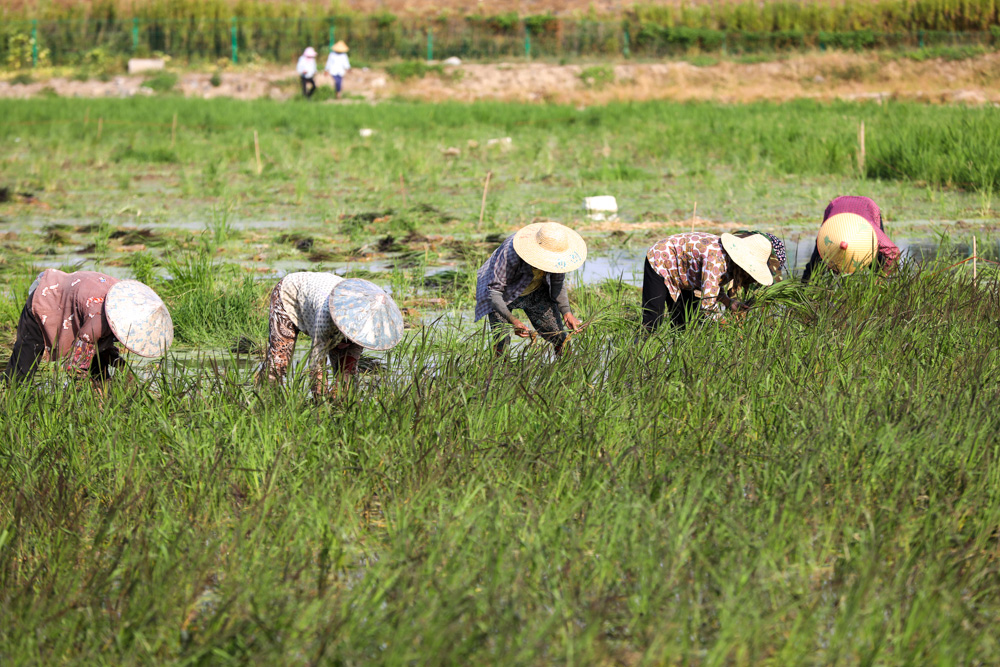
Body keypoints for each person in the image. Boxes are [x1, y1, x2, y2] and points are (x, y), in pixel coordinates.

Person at [4, 268, 173, 386]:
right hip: (46, 300)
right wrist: (88, 392)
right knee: (20, 375)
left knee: (99, 364)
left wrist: (120, 366)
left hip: (77, 302)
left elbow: (102, 348)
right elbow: (75, 367)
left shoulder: (118, 305)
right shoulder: (97, 321)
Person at [262, 272, 403, 395]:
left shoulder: (365, 329)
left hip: (321, 294)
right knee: (279, 363)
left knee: (347, 380)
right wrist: (320, 403)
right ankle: (266, 398)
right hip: (290, 293)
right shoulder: (326, 318)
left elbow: (347, 373)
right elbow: (316, 365)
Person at [475, 222, 587, 356]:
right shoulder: (511, 252)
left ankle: (567, 369)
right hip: (501, 294)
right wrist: (514, 321)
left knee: (559, 337)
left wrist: (567, 313)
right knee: (501, 342)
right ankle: (501, 372)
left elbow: (557, 283)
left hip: (535, 290)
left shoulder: (558, 257)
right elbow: (494, 293)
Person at [641, 231, 776, 331]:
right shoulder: (717, 259)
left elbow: (711, 286)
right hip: (661, 258)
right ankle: (639, 355)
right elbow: (708, 307)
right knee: (652, 319)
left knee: (683, 323)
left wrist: (729, 303)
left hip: (684, 270)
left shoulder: (728, 261)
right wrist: (730, 328)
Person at [801, 196, 900, 282]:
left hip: (867, 207)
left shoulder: (869, 228)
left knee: (877, 260)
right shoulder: (829, 232)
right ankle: (803, 292)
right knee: (815, 264)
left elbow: (892, 252)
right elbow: (821, 248)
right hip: (836, 205)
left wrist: (880, 279)